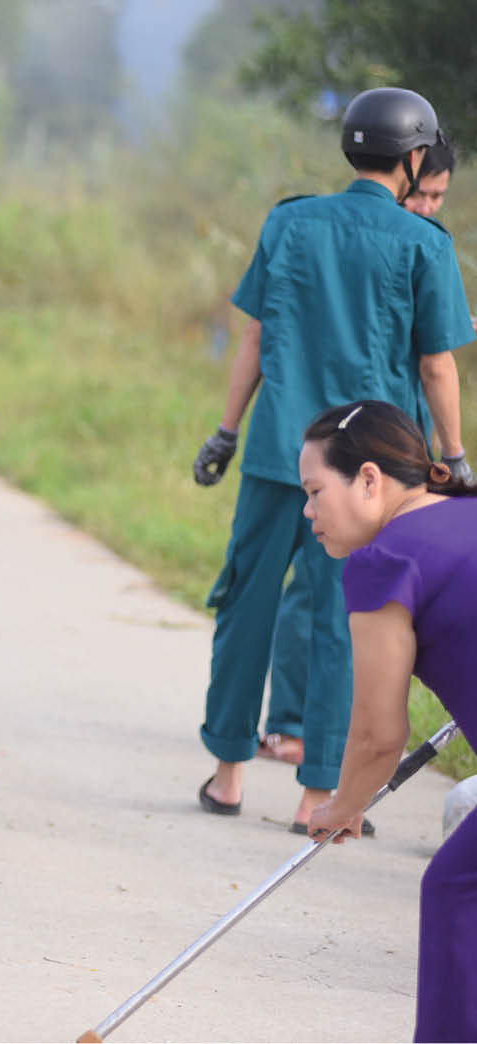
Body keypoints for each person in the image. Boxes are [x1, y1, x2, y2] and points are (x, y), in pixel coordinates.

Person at [191, 86, 472, 832]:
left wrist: (225, 431)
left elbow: (250, 337)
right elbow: (437, 365)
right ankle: (317, 795)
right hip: (366, 475)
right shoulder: (423, 244)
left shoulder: (288, 222)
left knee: (245, 602)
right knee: (345, 622)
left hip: (276, 449)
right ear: (414, 159)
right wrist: (455, 456)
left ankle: (226, 774)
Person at [262, 133, 462, 770]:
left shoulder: (316, 224)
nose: (427, 205)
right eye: (423, 191)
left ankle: (311, 747)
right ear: (404, 169)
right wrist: (455, 459)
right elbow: (437, 362)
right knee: (322, 591)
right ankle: (297, 733)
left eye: (438, 197)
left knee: (343, 594)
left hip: (370, 443)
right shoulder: (410, 244)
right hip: (345, 443)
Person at [297, 400, 477, 1041]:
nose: (308, 512)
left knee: (459, 894)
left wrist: (341, 806)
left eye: (316, 491)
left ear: (369, 479)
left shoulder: (385, 561)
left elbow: (378, 734)